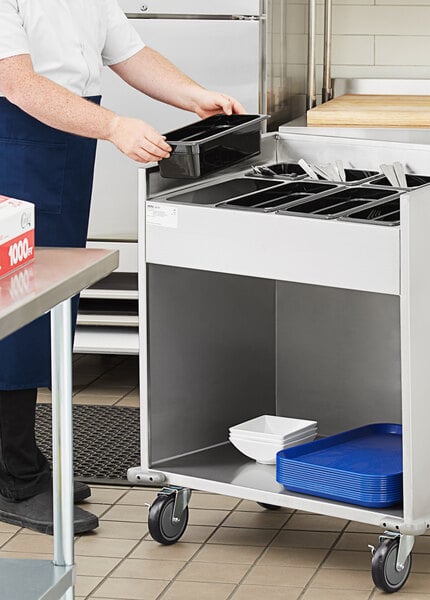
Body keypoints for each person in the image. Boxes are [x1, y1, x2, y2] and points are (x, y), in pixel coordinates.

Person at [0, 0, 245, 535]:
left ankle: (21, 460)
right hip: (12, 143)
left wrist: (193, 94)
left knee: (49, 308)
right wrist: (113, 125)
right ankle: (14, 476)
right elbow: (18, 84)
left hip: (60, 146)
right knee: (12, 316)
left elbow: (130, 52)